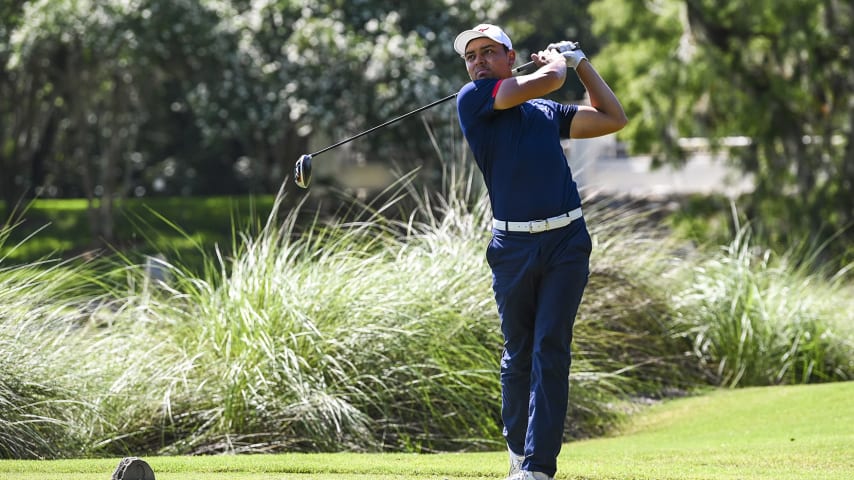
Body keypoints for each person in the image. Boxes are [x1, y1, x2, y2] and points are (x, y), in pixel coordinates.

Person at [453, 24, 627, 480]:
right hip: (512, 246)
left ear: (512, 58)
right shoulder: (472, 101)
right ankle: (518, 448)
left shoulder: (546, 111)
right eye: (471, 56)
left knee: (551, 347)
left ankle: (537, 468)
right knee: (519, 350)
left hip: (567, 240)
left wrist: (581, 62)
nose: (478, 62)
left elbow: (612, 117)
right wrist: (557, 64)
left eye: (489, 52)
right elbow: (549, 79)